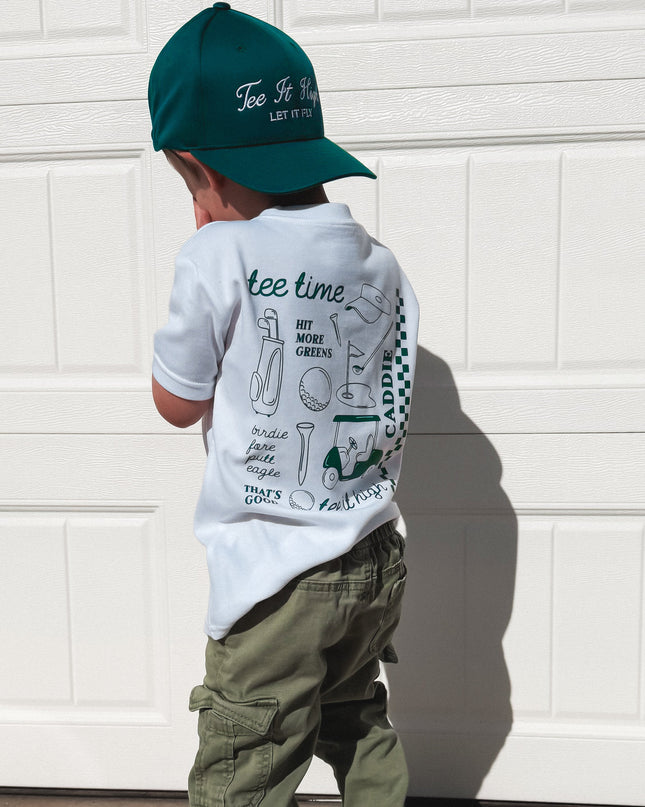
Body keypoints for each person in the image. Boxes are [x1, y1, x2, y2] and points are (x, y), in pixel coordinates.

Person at [148, 4, 419, 805]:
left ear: (198, 168)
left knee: (248, 760)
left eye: (187, 184)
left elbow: (175, 401)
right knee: (354, 718)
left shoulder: (213, 252)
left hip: (276, 580)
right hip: (371, 559)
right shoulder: (378, 262)